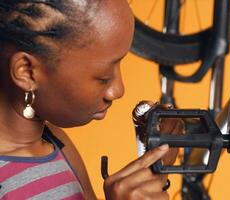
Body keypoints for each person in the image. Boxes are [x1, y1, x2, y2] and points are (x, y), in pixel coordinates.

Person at [0, 0, 182, 199]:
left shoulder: (55, 141)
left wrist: (156, 167)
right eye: (103, 77)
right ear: (27, 71)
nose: (118, 90)